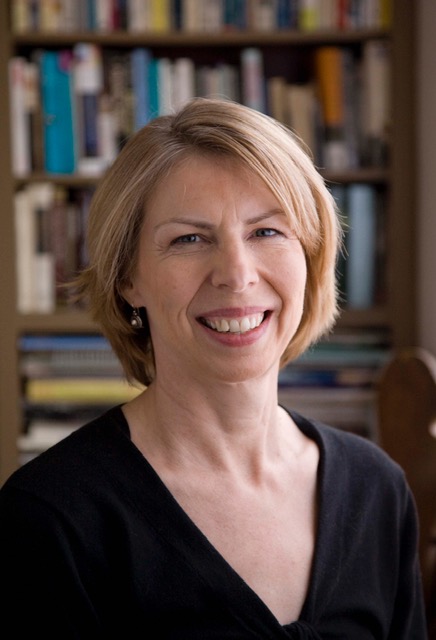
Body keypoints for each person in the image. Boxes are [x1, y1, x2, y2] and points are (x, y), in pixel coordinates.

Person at [0, 97, 427, 639]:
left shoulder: (377, 490)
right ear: (128, 278)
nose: (236, 274)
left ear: (311, 255)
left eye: (267, 232)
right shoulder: (51, 516)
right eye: (189, 239)